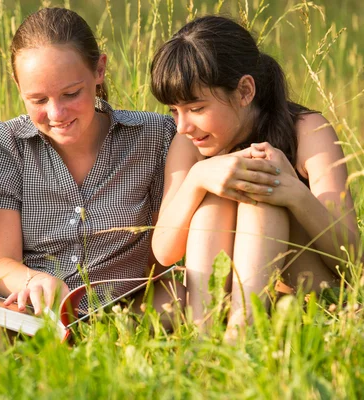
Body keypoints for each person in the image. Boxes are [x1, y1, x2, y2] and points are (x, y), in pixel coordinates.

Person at [0, 7, 182, 354]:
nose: (56, 114)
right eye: (38, 99)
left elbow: (163, 257)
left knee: (179, 299)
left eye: (71, 94)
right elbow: (0, 264)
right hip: (36, 310)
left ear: (99, 70)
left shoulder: (153, 137)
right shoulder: (5, 145)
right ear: (18, 87)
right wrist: (36, 281)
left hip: (128, 309)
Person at [149, 15, 359, 338]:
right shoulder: (187, 146)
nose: (182, 126)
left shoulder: (307, 131)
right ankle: (204, 338)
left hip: (310, 305)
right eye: (174, 112)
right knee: (215, 197)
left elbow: (352, 262)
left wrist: (294, 194)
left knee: (261, 192)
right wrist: (197, 178)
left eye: (196, 108)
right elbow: (164, 251)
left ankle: (240, 338)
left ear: (245, 90)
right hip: (225, 303)